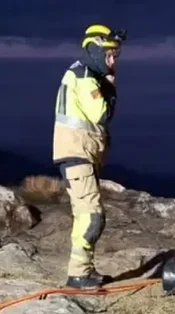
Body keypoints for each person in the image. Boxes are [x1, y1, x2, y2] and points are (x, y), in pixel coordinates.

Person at [52, 24, 127, 288]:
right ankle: (78, 274)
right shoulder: (84, 77)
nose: (113, 60)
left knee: (85, 214)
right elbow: (101, 114)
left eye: (115, 55)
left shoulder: (82, 74)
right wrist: (110, 89)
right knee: (92, 216)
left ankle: (82, 270)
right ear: (94, 49)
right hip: (77, 153)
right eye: (108, 53)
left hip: (79, 154)